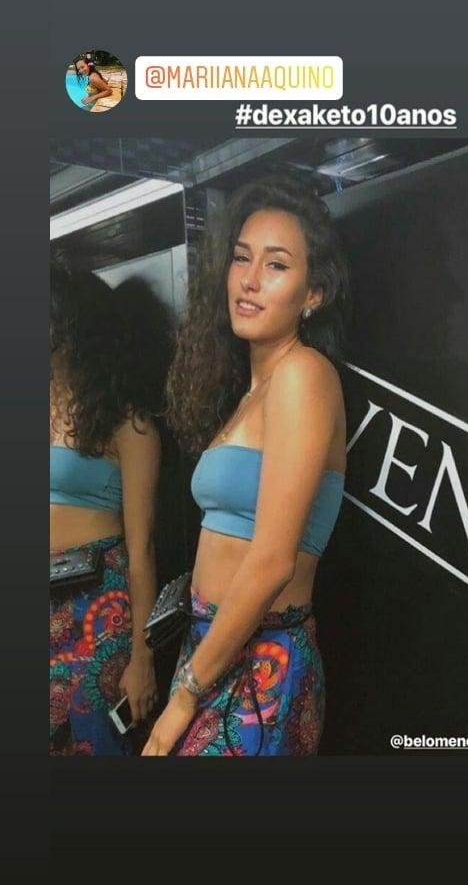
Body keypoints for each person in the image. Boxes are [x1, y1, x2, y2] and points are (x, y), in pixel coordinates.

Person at [142, 175, 350, 756]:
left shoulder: (304, 375)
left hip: (262, 665)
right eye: (241, 258)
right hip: (213, 650)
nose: (250, 279)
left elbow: (273, 560)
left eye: (276, 265)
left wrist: (184, 696)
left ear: (313, 293)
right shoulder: (251, 393)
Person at [50, 268, 173, 755]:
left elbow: (142, 549)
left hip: (97, 610)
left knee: (96, 742)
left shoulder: (129, 424)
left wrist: (143, 658)